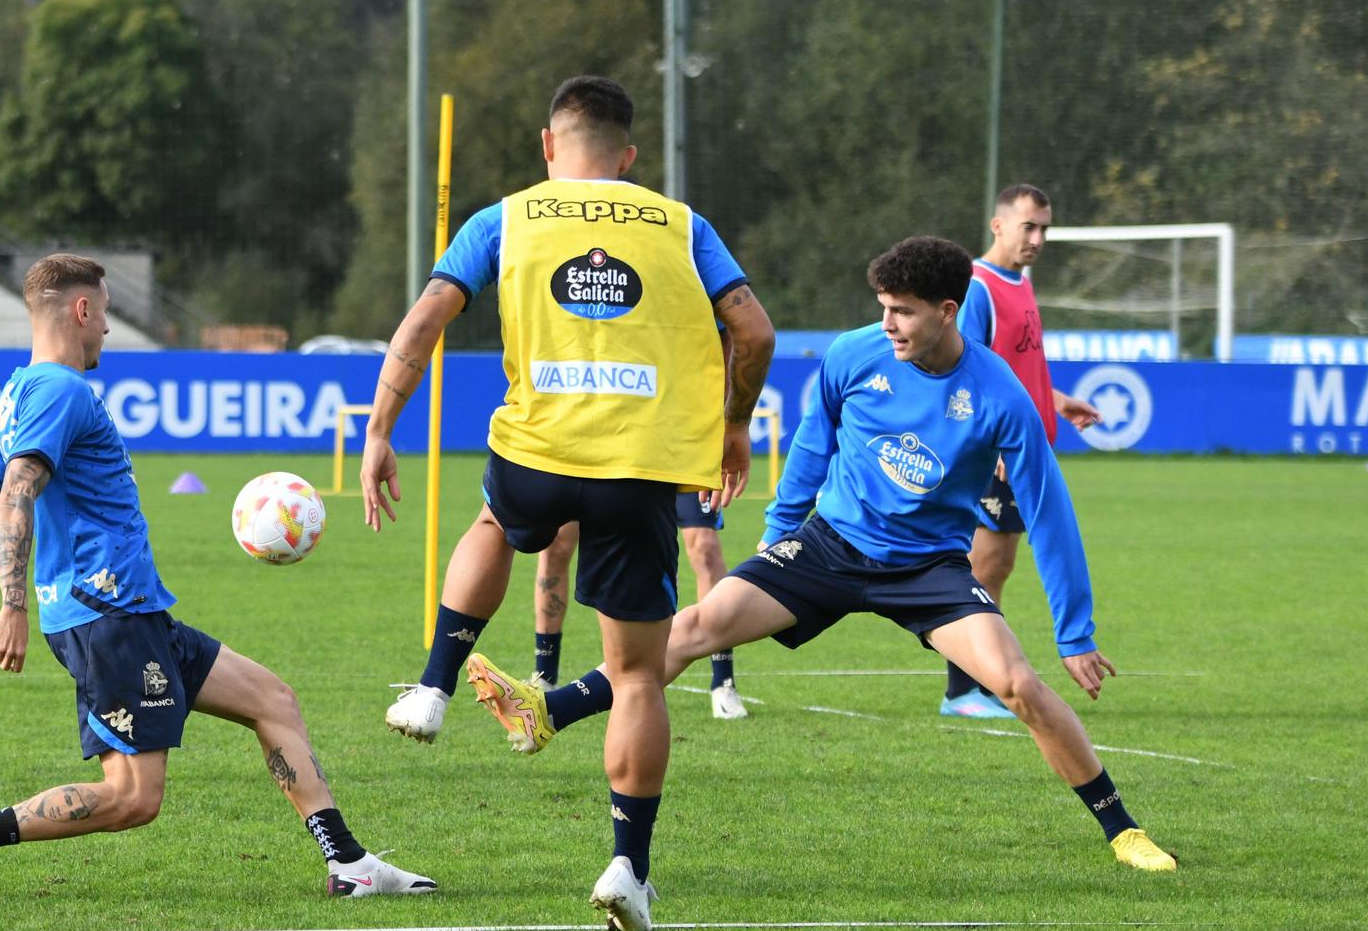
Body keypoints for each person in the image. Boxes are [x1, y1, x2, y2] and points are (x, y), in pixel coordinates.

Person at [466, 236, 1178, 877]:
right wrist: (780, 529)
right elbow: (813, 446)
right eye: (883, 307)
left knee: (1019, 683)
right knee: (688, 630)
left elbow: (1050, 512)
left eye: (902, 310)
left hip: (927, 570)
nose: (888, 323)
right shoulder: (854, 354)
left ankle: (1124, 830)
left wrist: (1076, 632)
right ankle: (549, 711)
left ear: (948, 310)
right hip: (827, 547)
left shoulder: (1000, 399)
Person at [0, 255, 435, 902]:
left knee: (273, 701)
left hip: (134, 611)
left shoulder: (20, 392)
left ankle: (350, 863)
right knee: (133, 798)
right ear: (82, 310)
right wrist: (11, 604)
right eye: (106, 312)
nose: (108, 329)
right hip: (105, 616)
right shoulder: (59, 391)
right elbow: (10, 499)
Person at [361, 75, 774, 931]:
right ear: (628, 158)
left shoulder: (505, 217)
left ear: (549, 147)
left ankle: (435, 686)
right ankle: (627, 866)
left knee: (492, 524)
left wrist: (378, 429)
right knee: (633, 679)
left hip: (537, 451)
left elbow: (426, 316)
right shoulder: (681, 224)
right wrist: (733, 426)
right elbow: (755, 329)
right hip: (641, 468)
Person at [941, 184, 1102, 718]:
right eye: (1028, 226)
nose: (1037, 238)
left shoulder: (1019, 284)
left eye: (1044, 229)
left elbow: (1017, 371)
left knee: (998, 564)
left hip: (1023, 447)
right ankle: (964, 691)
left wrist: (1055, 401)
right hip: (996, 453)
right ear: (998, 225)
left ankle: (976, 686)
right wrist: (997, 446)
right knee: (984, 565)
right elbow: (969, 373)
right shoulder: (979, 288)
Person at [532, 504, 754, 720]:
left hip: (681, 467)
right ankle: (545, 676)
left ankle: (724, 683)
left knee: (706, 548)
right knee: (556, 545)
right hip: (608, 470)